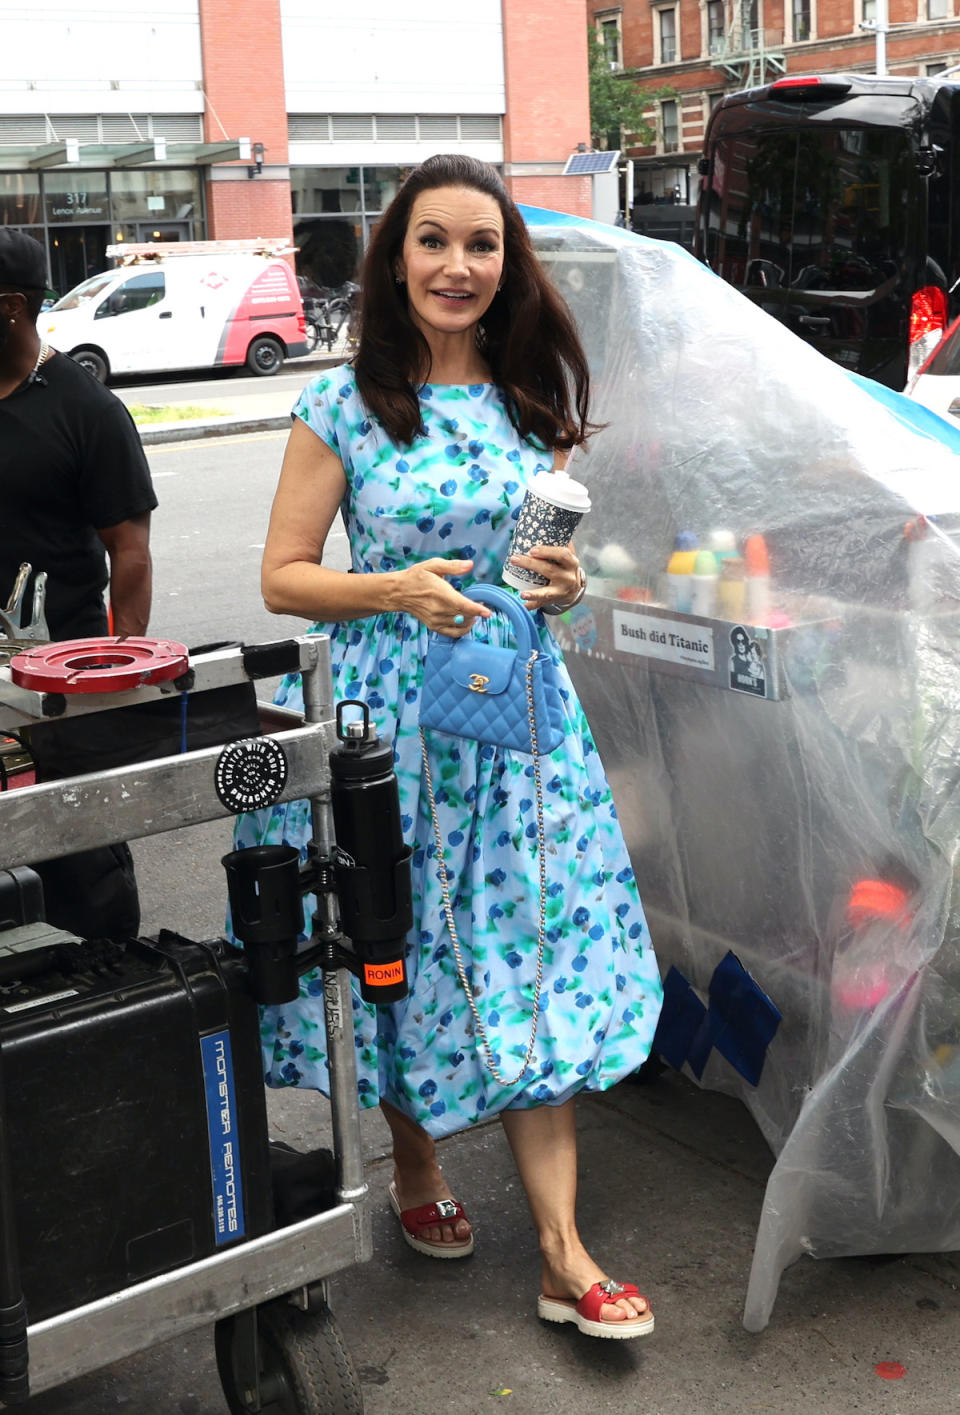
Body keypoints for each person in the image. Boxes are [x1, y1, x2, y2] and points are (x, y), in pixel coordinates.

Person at [236, 154, 663, 1338]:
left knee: (537, 944)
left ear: (508, 262)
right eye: (433, 241)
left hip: (517, 719)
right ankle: (418, 1164)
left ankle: (564, 1251)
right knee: (398, 939)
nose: (458, 266)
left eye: (482, 244)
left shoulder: (535, 402)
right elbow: (282, 577)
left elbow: (540, 572)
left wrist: (565, 585)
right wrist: (392, 589)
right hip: (389, 725)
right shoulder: (345, 405)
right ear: (396, 257)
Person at [0, 229, 158, 936]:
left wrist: (118, 678)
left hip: (62, 686)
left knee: (81, 854)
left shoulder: (86, 409)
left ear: (10, 306)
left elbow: (129, 551)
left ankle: (114, 984)